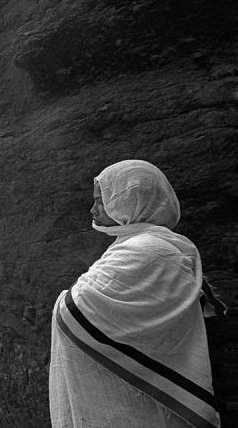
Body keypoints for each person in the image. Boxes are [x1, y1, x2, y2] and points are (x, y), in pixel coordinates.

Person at [49, 160, 221, 428]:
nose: (93, 209)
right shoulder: (144, 245)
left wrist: (64, 300)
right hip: (141, 389)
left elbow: (77, 307)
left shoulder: (149, 250)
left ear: (130, 201)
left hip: (147, 398)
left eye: (101, 201)